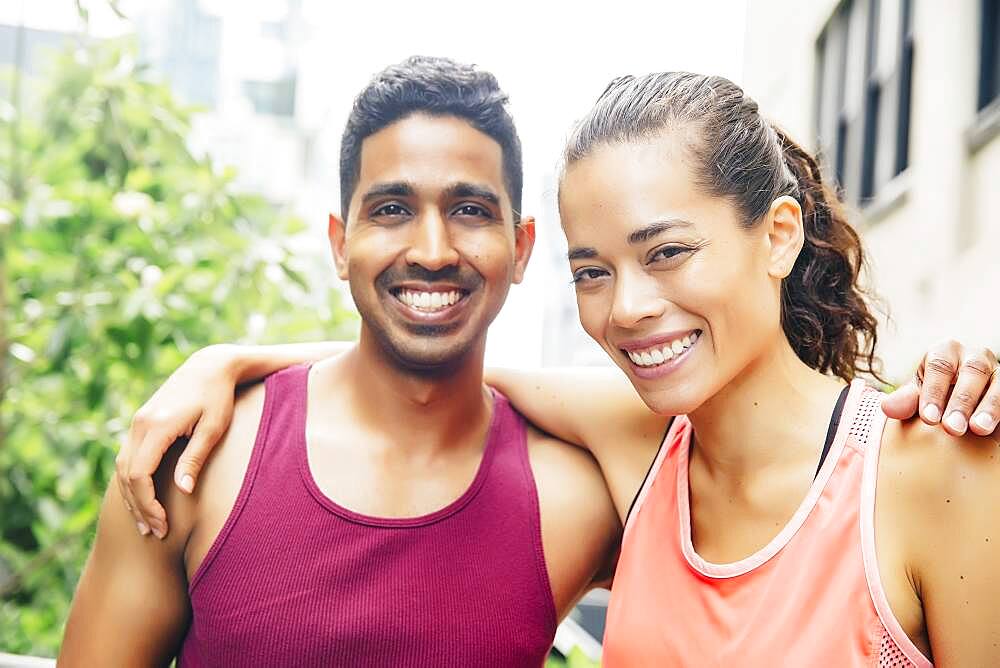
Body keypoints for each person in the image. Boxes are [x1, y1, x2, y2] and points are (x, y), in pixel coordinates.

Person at [116, 71, 1000, 666]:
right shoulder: (642, 452)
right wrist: (226, 361)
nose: (628, 309)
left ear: (777, 235)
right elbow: (430, 359)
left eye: (668, 253)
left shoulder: (937, 467)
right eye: (593, 271)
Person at [59, 56, 620, 667]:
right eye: (392, 209)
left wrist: (232, 358)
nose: (432, 252)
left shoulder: (578, 498)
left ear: (520, 248)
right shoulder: (195, 461)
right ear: (340, 244)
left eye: (469, 210)